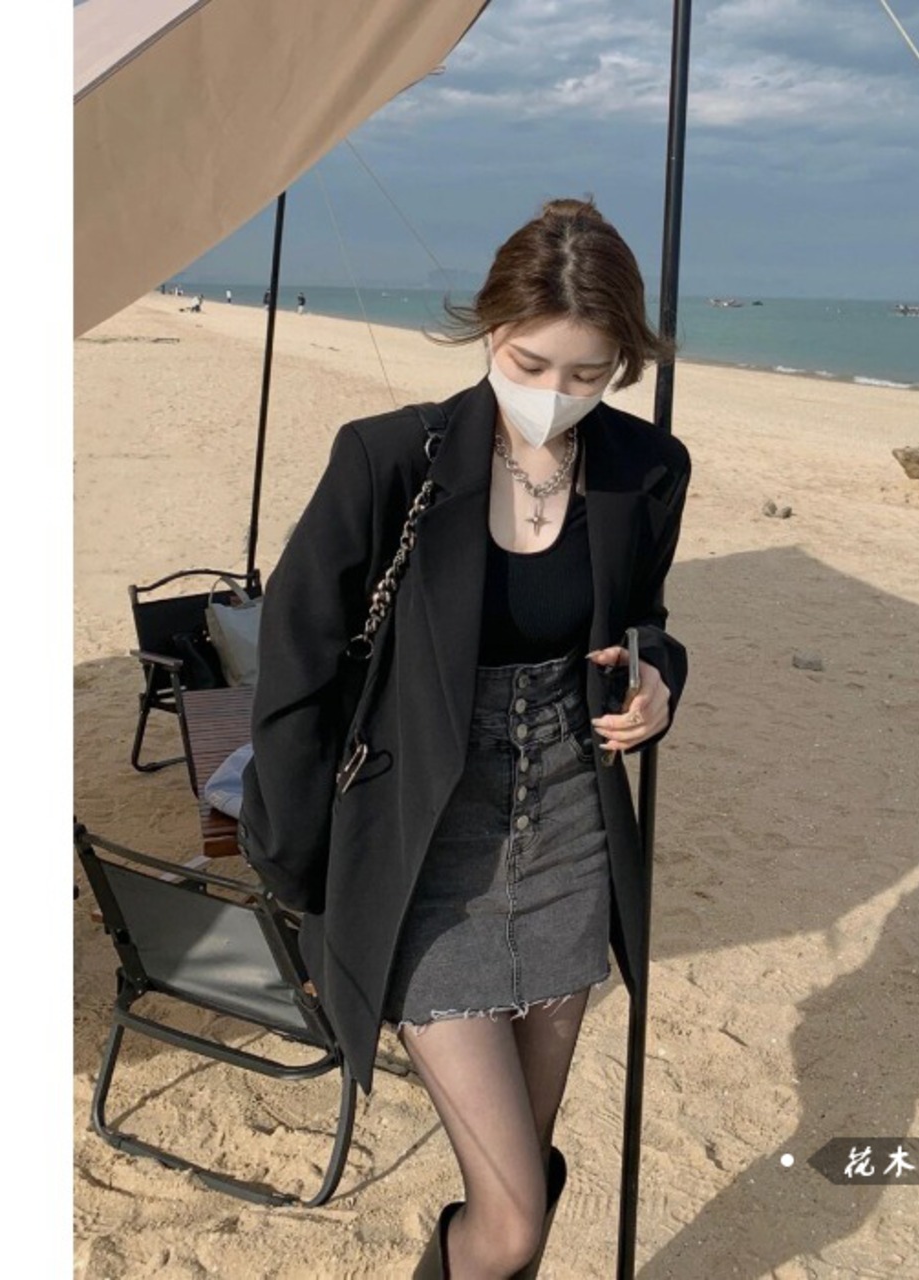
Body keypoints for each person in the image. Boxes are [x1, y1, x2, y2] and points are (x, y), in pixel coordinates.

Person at [240, 197, 691, 1278]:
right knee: (514, 1217)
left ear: (621, 364)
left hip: (572, 842)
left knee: (522, 1168)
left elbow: (648, 622)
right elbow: (295, 676)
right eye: (531, 362)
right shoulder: (390, 458)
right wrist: (303, 878)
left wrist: (657, 682)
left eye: (587, 373)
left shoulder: (645, 468)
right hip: (423, 851)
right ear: (490, 328)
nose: (555, 393)